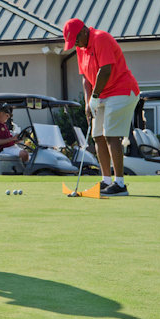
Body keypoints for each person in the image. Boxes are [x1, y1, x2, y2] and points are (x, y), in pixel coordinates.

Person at [63, 18, 139, 196]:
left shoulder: (100, 38)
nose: (75, 44)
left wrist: (96, 96)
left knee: (111, 135)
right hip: (102, 94)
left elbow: (105, 70)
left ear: (83, 31)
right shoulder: (81, 49)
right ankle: (106, 180)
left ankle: (119, 184)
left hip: (122, 90)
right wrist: (89, 101)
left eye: (75, 40)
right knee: (97, 136)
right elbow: (85, 77)